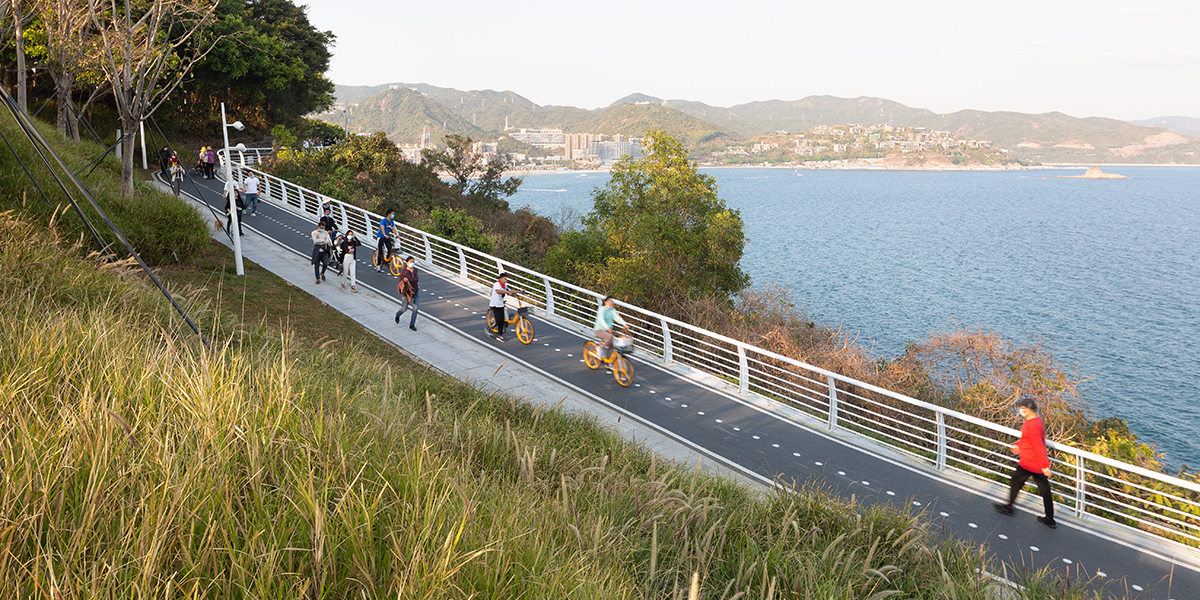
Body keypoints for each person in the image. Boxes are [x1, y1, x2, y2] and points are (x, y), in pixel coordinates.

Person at [994, 395, 1056, 529]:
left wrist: (1045, 466)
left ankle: (1009, 507)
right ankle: (1050, 518)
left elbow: (1039, 446)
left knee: (1015, 482)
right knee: (1045, 490)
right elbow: (1027, 439)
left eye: (1022, 408)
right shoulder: (1036, 421)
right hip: (1034, 463)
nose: (1020, 410)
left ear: (1028, 409)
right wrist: (1018, 446)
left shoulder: (1032, 425)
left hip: (1029, 463)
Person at [593, 295, 628, 361]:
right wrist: (607, 328)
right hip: (599, 330)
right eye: (610, 301)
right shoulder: (602, 309)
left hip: (607, 331)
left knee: (611, 347)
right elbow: (601, 320)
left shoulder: (612, 310)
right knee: (610, 337)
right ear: (605, 302)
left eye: (612, 301)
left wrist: (624, 324)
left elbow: (616, 317)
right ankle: (600, 349)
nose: (612, 303)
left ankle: (610, 363)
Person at [488, 273, 519, 342]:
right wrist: (507, 292)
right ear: (501, 279)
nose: (506, 281)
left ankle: (499, 335)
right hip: (495, 305)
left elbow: (510, 290)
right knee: (498, 321)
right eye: (505, 279)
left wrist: (520, 291)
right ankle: (490, 329)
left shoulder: (504, 286)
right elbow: (498, 291)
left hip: (500, 304)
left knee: (501, 321)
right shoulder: (497, 284)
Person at [394, 256, 419, 331]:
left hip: (415, 291)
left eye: (413, 262)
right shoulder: (404, 272)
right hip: (407, 293)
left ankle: (412, 324)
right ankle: (397, 315)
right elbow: (401, 282)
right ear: (406, 263)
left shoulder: (415, 270)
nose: (412, 263)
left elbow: (416, 279)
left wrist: (410, 279)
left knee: (415, 308)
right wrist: (405, 280)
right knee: (404, 308)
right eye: (411, 262)